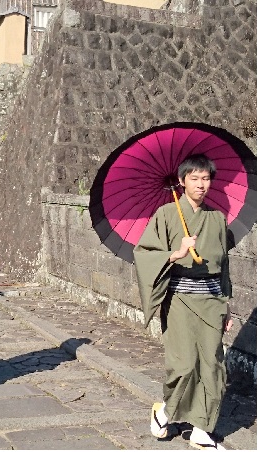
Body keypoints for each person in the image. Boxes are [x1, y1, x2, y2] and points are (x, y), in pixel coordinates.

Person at [133, 155, 233, 450]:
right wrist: (175, 253)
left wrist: (226, 305)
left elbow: (224, 266)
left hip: (212, 301)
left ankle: (202, 428)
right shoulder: (166, 214)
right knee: (184, 365)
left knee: (213, 366)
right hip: (179, 299)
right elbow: (144, 253)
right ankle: (164, 412)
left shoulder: (217, 218)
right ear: (182, 181)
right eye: (195, 179)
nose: (201, 185)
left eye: (206, 179)